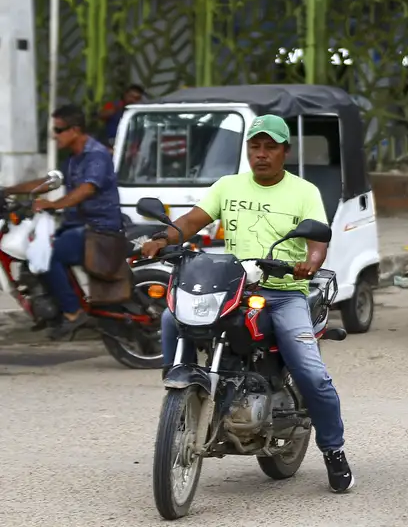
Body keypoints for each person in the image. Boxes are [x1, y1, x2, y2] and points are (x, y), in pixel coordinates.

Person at [139, 115, 354, 492]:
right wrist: (162, 236)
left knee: (312, 373)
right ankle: (181, 394)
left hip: (284, 291)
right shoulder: (228, 186)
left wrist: (311, 264)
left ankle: (333, 451)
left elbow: (319, 240)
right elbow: (192, 220)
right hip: (234, 286)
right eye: (255, 146)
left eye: (271, 147)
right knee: (174, 318)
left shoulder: (303, 192)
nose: (262, 154)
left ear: (285, 151)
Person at [2, 104, 124, 338]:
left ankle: (73, 312)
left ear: (75, 130)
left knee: (48, 255)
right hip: (77, 225)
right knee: (35, 250)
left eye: (58, 130)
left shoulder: (96, 155)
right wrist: (8, 191)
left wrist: (54, 204)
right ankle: (55, 307)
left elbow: (87, 189)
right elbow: (49, 182)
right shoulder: (73, 160)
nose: (54, 136)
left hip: (100, 228)